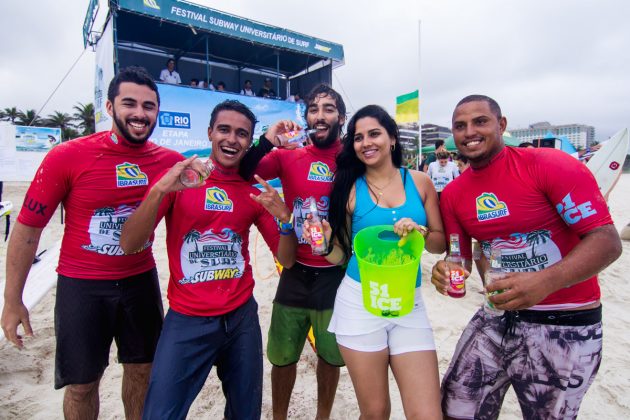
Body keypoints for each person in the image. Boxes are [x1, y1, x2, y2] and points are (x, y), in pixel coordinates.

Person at [1, 67, 184, 419]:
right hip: (82, 286)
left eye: (149, 106)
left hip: (140, 280)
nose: (140, 114)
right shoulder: (66, 156)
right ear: (109, 106)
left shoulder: (169, 162)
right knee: (82, 384)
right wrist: (13, 300)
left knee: (143, 371)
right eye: (129, 103)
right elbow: (27, 230)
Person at [431, 94, 622, 420]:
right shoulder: (453, 194)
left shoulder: (548, 165)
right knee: (454, 407)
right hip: (496, 316)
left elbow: (606, 241)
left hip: (565, 323)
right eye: (460, 126)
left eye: (480, 121)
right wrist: (448, 270)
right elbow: (467, 251)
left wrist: (545, 281)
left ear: (501, 125)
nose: (469, 132)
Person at [119, 100, 297, 419]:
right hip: (187, 318)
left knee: (246, 413)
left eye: (242, 134)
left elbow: (287, 259)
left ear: (250, 141)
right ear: (210, 132)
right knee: (159, 413)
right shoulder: (183, 178)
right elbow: (130, 243)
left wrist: (285, 219)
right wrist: (160, 190)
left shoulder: (253, 188)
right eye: (224, 130)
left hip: (241, 318)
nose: (232, 139)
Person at [303, 104, 445, 419]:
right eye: (358, 137)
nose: (366, 142)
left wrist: (419, 231)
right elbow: (341, 255)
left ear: (392, 138)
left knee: (427, 414)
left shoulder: (420, 182)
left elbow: (439, 243)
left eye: (375, 134)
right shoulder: (349, 188)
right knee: (376, 411)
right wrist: (324, 245)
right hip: (359, 306)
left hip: (409, 306)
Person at [239, 83, 347, 419]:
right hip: (296, 270)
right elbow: (246, 171)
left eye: (328, 109)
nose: (320, 115)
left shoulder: (353, 160)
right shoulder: (289, 156)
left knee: (330, 358)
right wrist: (268, 138)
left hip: (337, 273)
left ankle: (323, 416)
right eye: (313, 109)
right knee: (282, 357)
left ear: (341, 117)